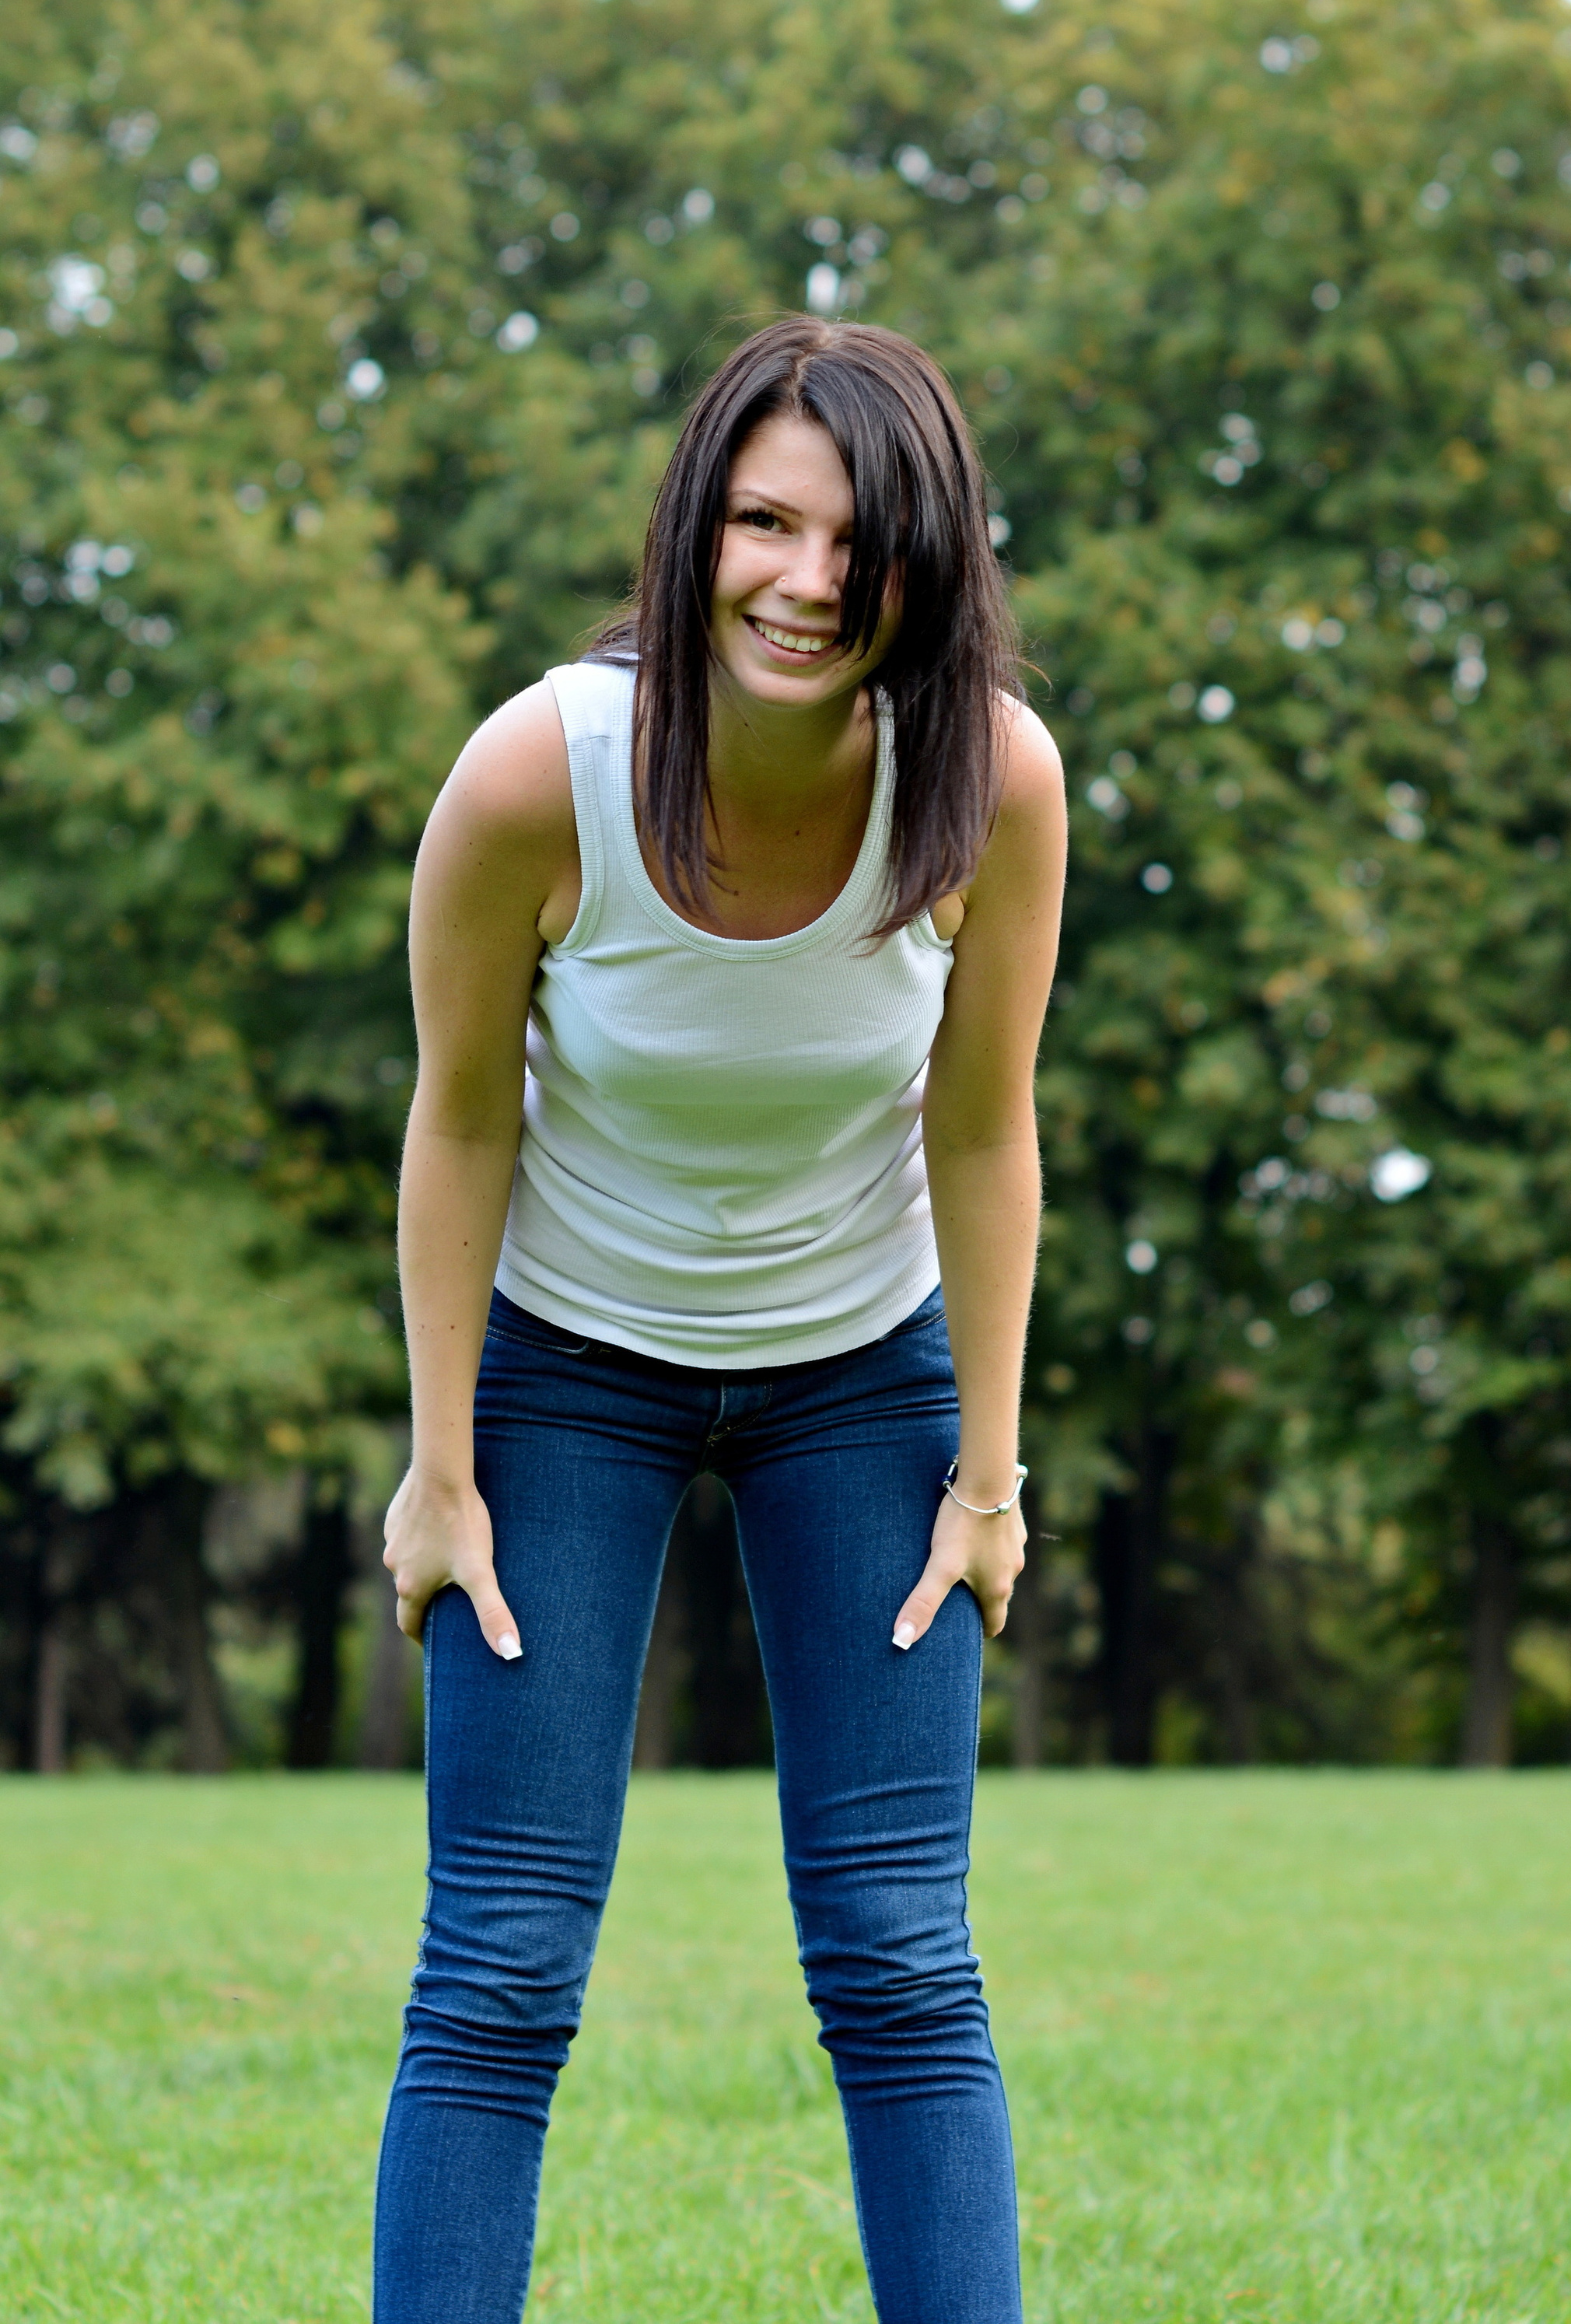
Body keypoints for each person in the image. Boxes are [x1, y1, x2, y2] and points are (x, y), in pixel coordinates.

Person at [372, 317, 1065, 2324]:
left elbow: (988, 1121)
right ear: (693, 531)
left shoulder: (993, 776)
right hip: (565, 1373)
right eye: (763, 521)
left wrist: (990, 1481)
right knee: (498, 1956)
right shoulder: (538, 770)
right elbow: (460, 1112)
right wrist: (440, 1470)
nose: (806, 579)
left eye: (861, 540)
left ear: (934, 561)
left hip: (863, 1376)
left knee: (899, 1950)